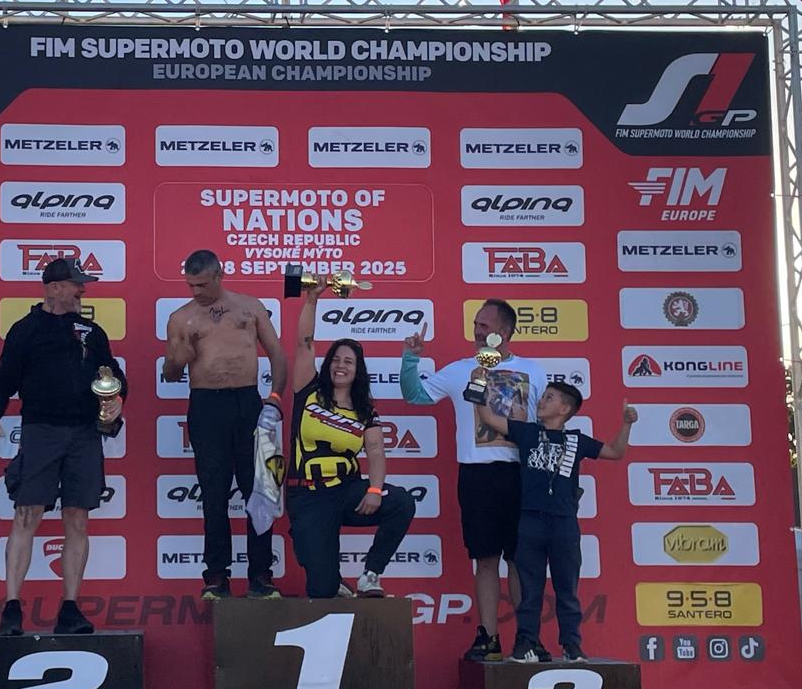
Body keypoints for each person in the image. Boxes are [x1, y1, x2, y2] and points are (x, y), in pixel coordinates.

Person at [400, 299, 547, 661]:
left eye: (485, 325)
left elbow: (547, 426)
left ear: (505, 331)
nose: (477, 331)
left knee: (520, 559)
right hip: (477, 473)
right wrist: (410, 359)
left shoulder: (534, 371)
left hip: (521, 473)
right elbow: (415, 396)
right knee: (485, 558)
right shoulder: (460, 370)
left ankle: (528, 638)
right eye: (476, 324)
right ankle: (489, 638)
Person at [0, 257, 126, 635]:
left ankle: (70, 608)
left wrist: (117, 399)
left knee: (77, 518)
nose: (83, 290)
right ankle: (11, 607)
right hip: (41, 431)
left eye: (82, 284)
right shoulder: (25, 330)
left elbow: (112, 375)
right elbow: (4, 377)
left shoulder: (92, 332)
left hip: (84, 433)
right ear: (54, 287)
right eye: (76, 284)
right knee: (27, 513)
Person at [474, 380, 635, 662]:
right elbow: (488, 417)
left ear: (564, 409)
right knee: (530, 590)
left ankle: (572, 646)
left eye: (549, 398)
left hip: (564, 524)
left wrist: (626, 424)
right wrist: (477, 389)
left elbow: (615, 452)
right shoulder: (526, 432)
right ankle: (526, 644)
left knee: (566, 589)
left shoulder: (576, 440)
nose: (541, 401)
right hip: (530, 522)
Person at [162, 250, 289, 599]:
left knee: (259, 492)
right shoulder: (180, 318)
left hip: (248, 402)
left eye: (202, 285)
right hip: (206, 406)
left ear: (219, 275)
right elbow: (170, 372)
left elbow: (278, 355)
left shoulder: (250, 307)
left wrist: (274, 399)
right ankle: (216, 577)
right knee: (213, 494)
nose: (196, 292)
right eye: (191, 285)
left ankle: (261, 576)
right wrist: (177, 360)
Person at [285, 277, 416, 598]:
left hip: (346, 490)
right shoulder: (308, 389)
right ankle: (331, 579)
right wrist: (312, 300)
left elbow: (376, 451)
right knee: (322, 590)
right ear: (328, 364)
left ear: (358, 370)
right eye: (336, 359)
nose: (341, 366)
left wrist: (374, 490)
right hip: (308, 495)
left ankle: (371, 574)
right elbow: (304, 343)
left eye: (349, 361)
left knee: (401, 502)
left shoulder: (364, 408)